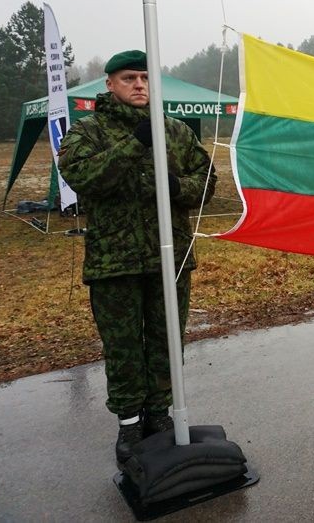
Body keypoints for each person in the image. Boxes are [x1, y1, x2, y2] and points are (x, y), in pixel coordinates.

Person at [58, 50, 216, 466]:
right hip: (116, 261)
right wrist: (135, 143)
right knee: (125, 347)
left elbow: (206, 182)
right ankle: (129, 423)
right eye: (129, 78)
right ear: (109, 84)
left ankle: (160, 414)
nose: (140, 85)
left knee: (167, 341)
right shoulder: (89, 131)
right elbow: (82, 177)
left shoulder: (176, 131)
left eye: (146, 77)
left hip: (171, 257)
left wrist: (177, 185)